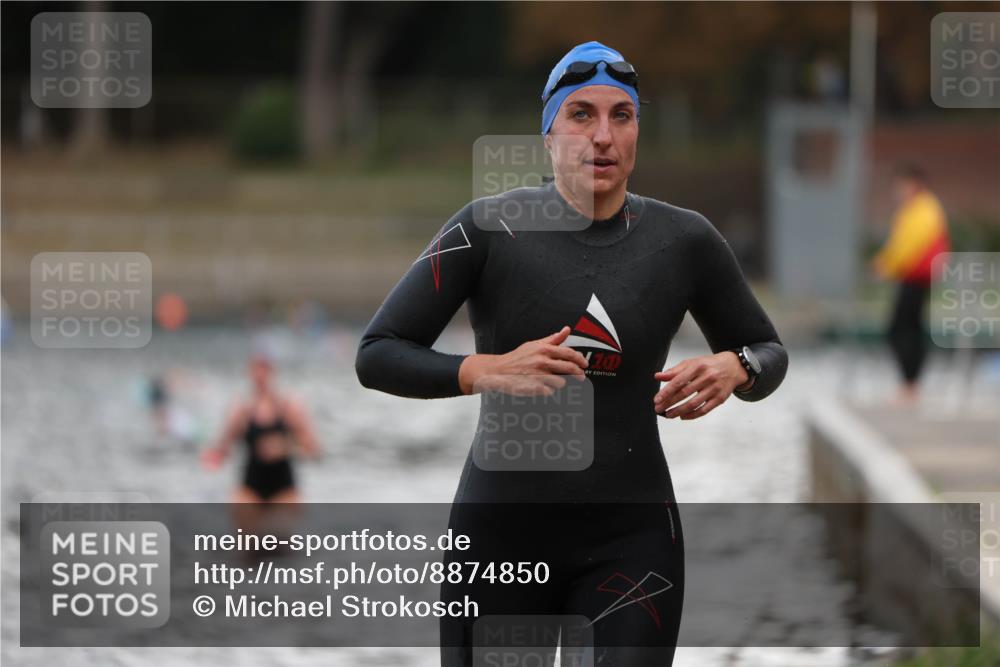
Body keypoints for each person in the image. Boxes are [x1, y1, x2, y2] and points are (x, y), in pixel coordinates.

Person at [355, 41, 788, 666]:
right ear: (549, 134)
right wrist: (486, 371)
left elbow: (768, 351)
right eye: (581, 114)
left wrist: (737, 367)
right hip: (499, 543)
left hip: (632, 543)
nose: (603, 136)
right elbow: (377, 353)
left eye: (622, 115)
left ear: (639, 131)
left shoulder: (686, 240)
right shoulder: (486, 228)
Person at [871, 164, 950, 406]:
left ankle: (910, 385)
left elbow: (909, 245)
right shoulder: (918, 208)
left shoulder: (923, 209)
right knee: (910, 328)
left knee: (901, 330)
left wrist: (887, 265)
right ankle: (910, 385)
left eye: (902, 184)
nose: (898, 189)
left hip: (915, 277)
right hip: (912, 277)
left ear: (914, 183)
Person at [201, 352, 320, 504]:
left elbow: (313, 449)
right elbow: (224, 448)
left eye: (263, 369)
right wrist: (213, 455)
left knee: (281, 525)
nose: (259, 376)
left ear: (272, 372)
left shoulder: (289, 407)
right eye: (255, 370)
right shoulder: (241, 409)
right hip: (251, 486)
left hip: (283, 487)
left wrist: (283, 447)